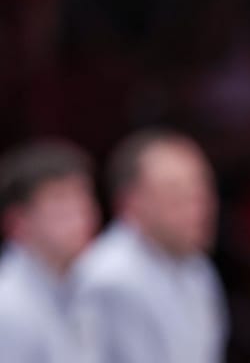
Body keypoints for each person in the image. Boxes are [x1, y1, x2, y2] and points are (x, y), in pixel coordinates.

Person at [71, 129, 228, 363]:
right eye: (177, 195)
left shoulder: (197, 268)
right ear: (131, 202)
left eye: (201, 193)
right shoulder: (110, 278)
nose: (199, 209)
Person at [0, 139, 100, 362]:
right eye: (61, 200)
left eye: (83, 196)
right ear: (17, 222)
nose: (82, 213)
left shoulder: (80, 284)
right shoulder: (8, 307)